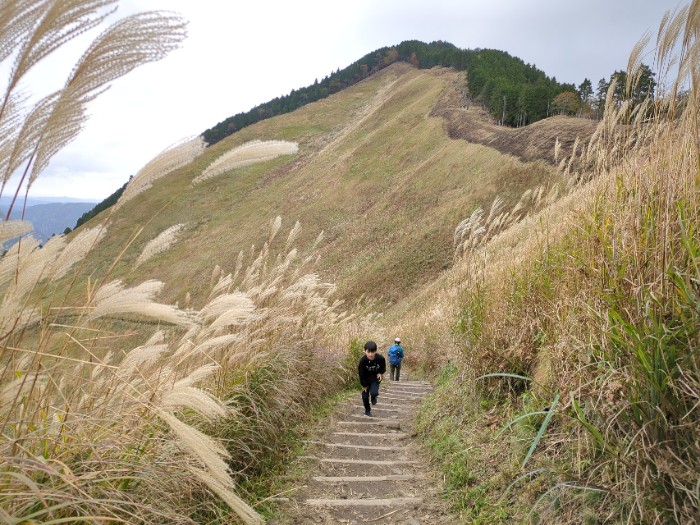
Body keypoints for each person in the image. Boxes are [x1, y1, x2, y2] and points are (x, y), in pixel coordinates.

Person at [358, 340, 386, 417]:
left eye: (372, 352)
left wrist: (380, 372)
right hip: (365, 380)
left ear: (375, 351)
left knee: (374, 392)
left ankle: (374, 397)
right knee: (364, 396)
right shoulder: (363, 361)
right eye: (368, 352)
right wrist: (364, 385)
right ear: (365, 351)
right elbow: (361, 374)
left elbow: (383, 367)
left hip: (374, 379)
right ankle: (367, 410)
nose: (370, 354)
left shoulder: (380, 358)